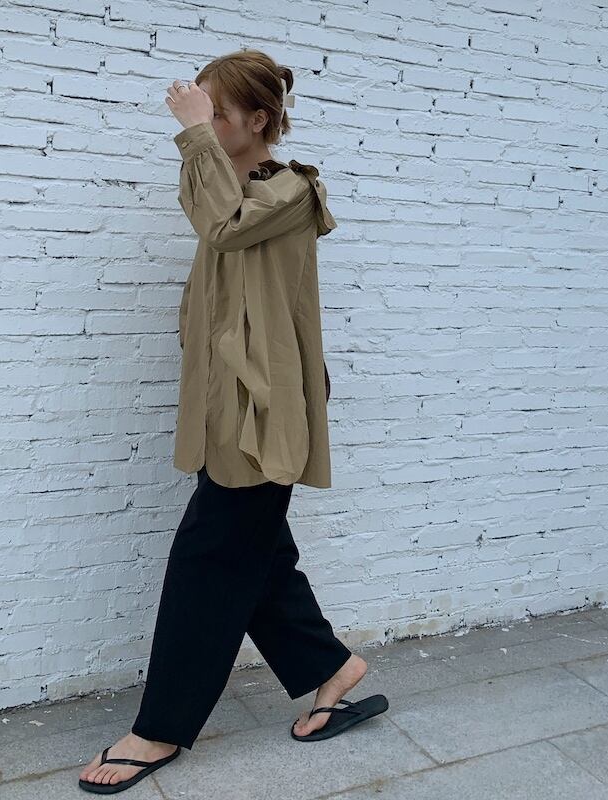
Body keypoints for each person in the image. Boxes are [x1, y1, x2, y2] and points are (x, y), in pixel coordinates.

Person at [78, 50, 386, 795]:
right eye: (203, 110)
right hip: (229, 402)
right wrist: (203, 141)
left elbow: (224, 227)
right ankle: (330, 668)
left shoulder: (290, 190)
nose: (206, 124)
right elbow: (212, 212)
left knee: (209, 558)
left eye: (219, 113)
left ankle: (160, 728)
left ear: (260, 119)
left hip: (266, 410)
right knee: (256, 550)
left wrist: (191, 133)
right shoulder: (233, 186)